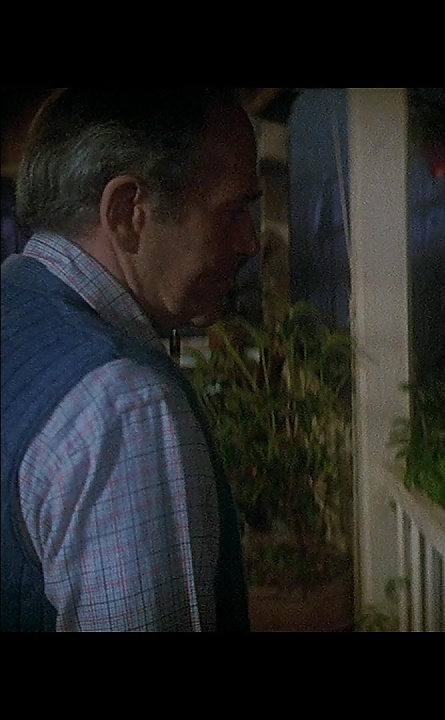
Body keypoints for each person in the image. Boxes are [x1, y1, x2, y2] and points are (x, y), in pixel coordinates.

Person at [2, 88, 262, 631]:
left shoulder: (15, 304)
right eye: (234, 209)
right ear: (127, 212)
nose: (251, 241)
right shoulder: (125, 409)